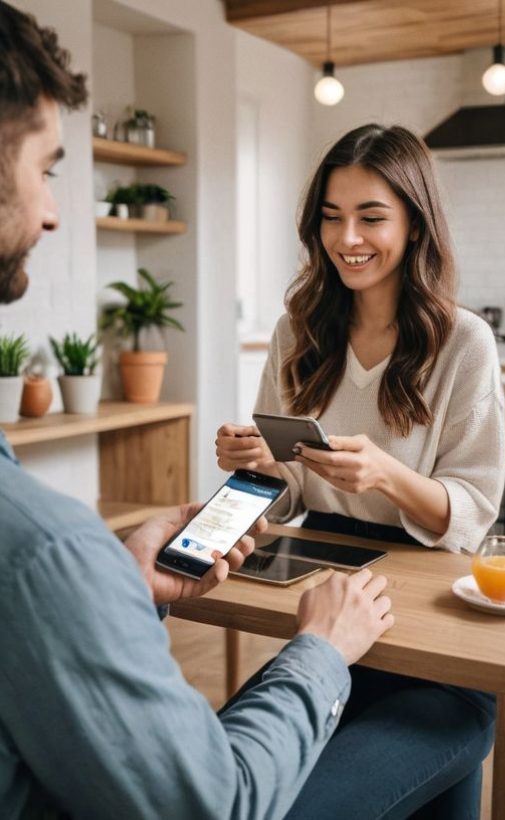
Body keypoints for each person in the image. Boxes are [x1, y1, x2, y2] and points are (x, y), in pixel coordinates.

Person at [0, 4, 394, 818]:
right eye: (46, 168)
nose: (53, 212)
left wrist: (111, 579)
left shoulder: (460, 341)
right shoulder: (43, 550)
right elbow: (216, 803)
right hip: (315, 626)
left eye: (370, 217)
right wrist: (320, 650)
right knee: (452, 726)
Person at [216, 124, 503, 817]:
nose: (348, 238)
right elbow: (282, 500)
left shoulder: (463, 341)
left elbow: (471, 510)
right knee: (223, 781)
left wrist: (386, 475)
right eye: (330, 217)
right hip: (324, 610)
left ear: (414, 222)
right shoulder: (296, 333)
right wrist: (257, 466)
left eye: (371, 217)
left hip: (435, 625)